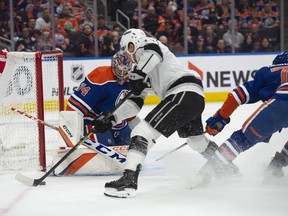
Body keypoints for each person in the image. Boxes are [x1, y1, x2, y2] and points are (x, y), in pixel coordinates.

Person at [92, 28, 218, 198]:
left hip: (183, 92)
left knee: (141, 132)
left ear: (133, 43)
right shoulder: (139, 70)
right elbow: (135, 103)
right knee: (196, 141)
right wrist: (112, 118)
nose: (127, 54)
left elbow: (153, 53)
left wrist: (138, 75)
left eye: (127, 48)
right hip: (193, 97)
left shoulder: (149, 45)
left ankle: (128, 182)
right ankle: (225, 167)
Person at [202, 50, 288, 179]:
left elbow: (236, 95)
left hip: (283, 99)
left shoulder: (270, 71)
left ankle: (205, 174)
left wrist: (219, 119)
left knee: (242, 139)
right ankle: (277, 166)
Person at [54, 49, 137, 175]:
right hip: (94, 120)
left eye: (125, 70)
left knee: (132, 143)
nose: (122, 73)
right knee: (107, 147)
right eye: (119, 70)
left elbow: (131, 108)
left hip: (115, 120)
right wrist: (70, 133)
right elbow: (74, 106)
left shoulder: (132, 80)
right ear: (113, 65)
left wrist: (134, 124)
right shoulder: (100, 76)